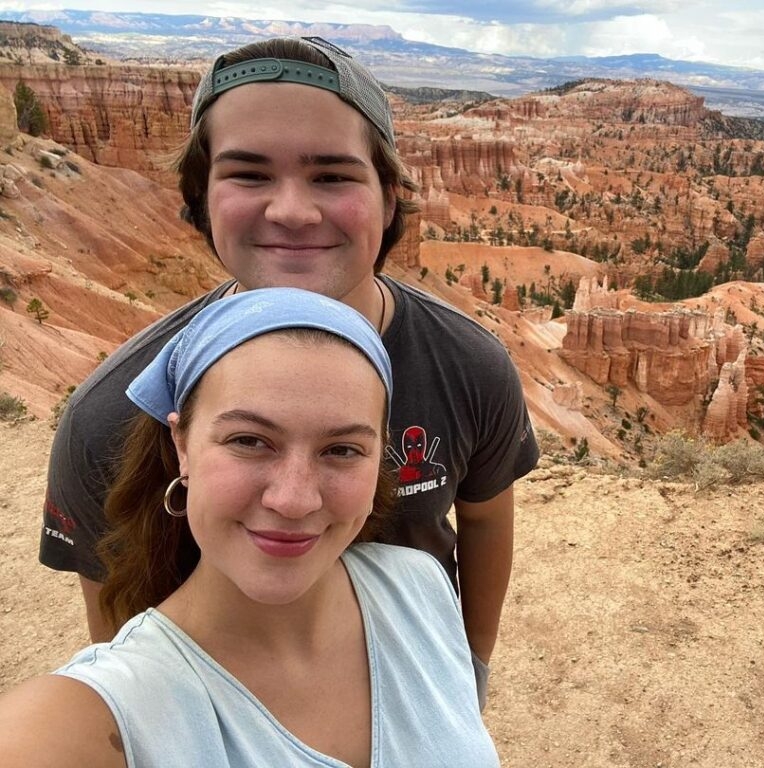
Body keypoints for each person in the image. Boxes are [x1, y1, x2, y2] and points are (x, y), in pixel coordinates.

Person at [39, 35, 539, 702]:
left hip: (412, 689)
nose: (293, 212)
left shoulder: (471, 366)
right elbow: (117, 634)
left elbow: (482, 523)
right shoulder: (108, 419)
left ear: (389, 200)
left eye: (332, 175)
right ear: (200, 199)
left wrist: (471, 667)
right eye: (248, 173)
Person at [3, 287, 500, 767]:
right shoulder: (103, 714)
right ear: (182, 444)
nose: (294, 499)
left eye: (342, 450)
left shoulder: (420, 585)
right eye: (249, 440)